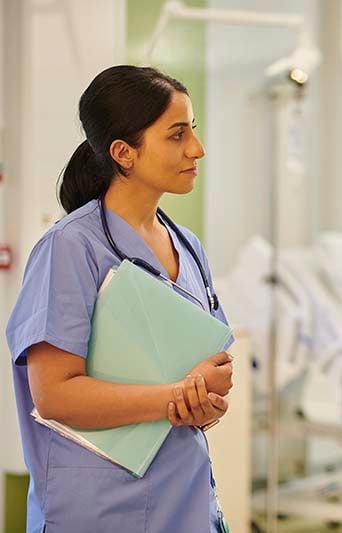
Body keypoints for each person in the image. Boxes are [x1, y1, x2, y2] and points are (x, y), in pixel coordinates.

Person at [5, 66, 234, 532]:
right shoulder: (71, 247)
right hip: (101, 511)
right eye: (176, 135)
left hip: (185, 501)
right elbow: (54, 395)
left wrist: (205, 403)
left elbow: (213, 365)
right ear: (123, 153)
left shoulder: (187, 245)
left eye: (193, 130)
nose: (197, 149)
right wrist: (176, 396)